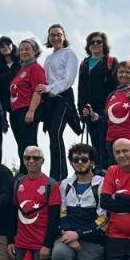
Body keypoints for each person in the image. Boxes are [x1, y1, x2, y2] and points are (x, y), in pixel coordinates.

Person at [40, 24, 80, 181]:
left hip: (63, 97)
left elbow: (68, 79)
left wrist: (50, 88)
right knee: (52, 136)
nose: (55, 38)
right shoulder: (48, 58)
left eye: (59, 34)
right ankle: (54, 173)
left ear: (64, 36)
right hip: (50, 100)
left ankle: (62, 175)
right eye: (52, 35)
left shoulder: (69, 54)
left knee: (56, 133)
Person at [77, 32, 118, 171]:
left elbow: (116, 86)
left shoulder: (111, 62)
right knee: (94, 144)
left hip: (105, 110)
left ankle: (106, 172)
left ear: (104, 44)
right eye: (92, 42)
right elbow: (81, 88)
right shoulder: (84, 63)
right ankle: (96, 172)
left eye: (99, 42)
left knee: (105, 143)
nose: (95, 44)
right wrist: (81, 109)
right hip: (88, 110)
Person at [7, 38, 47, 166]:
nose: (24, 52)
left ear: (35, 51)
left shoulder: (35, 68)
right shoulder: (21, 69)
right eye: (21, 49)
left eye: (27, 49)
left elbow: (38, 90)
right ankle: (24, 172)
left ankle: (33, 172)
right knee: (21, 144)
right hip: (16, 111)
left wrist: (31, 110)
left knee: (29, 144)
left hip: (27, 109)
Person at [0, 35, 18, 156]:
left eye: (8, 44)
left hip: (19, 104)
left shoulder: (20, 62)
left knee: (21, 137)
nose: (5, 47)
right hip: (2, 103)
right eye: (1, 46)